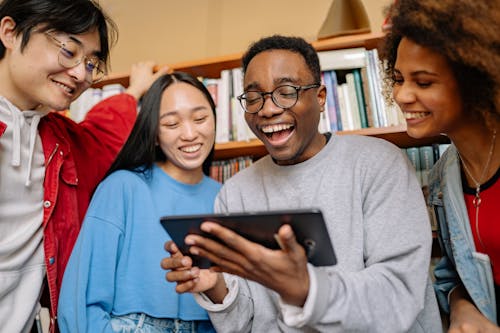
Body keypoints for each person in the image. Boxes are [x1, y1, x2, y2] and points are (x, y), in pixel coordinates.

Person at [161, 35, 442, 332]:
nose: (267, 109)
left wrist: (307, 288)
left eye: (286, 92)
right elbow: (245, 323)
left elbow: (397, 296)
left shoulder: (380, 164)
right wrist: (215, 285)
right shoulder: (235, 193)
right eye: (254, 97)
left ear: (320, 97)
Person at [0, 1, 167, 332]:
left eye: (91, 63)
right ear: (10, 32)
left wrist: (133, 91)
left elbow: (103, 135)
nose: (81, 74)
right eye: (68, 51)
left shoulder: (62, 144)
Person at [58, 71, 221, 333]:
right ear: (154, 134)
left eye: (200, 118)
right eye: (171, 124)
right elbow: (82, 300)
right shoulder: (123, 186)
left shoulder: (226, 196)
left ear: (215, 120)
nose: (190, 134)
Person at [381, 0, 500, 331]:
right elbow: (454, 272)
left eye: (423, 82)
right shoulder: (443, 178)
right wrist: (461, 305)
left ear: (475, 80)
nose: (402, 95)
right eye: (399, 78)